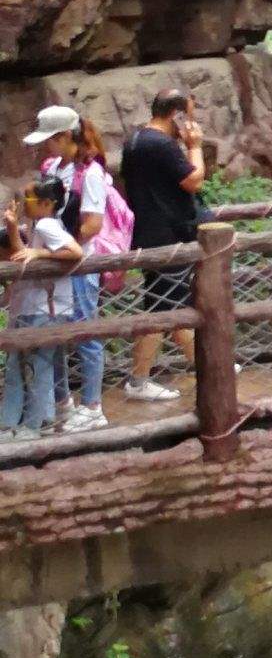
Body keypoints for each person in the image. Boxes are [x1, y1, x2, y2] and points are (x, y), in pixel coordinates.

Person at [28, 106, 120, 433]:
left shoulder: (90, 174)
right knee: (52, 333)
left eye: (49, 139)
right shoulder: (53, 167)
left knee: (85, 335)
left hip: (80, 266)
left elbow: (93, 225)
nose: (44, 147)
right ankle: (63, 402)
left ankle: (93, 407)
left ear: (65, 136)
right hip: (56, 265)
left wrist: (61, 246)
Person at [120, 86, 206, 400]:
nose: (192, 123)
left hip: (148, 231)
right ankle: (138, 381)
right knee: (161, 309)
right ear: (177, 114)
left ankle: (206, 364)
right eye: (190, 116)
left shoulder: (135, 139)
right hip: (167, 235)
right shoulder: (161, 144)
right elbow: (194, 180)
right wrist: (195, 146)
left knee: (170, 302)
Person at [2, 176, 84, 441]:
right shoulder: (42, 225)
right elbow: (21, 256)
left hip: (43, 310)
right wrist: (13, 229)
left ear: (47, 203)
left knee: (38, 368)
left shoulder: (48, 224)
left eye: (28, 200)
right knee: (19, 366)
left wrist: (41, 255)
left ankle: (35, 424)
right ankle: (12, 423)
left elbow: (75, 251)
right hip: (31, 307)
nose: (25, 204)